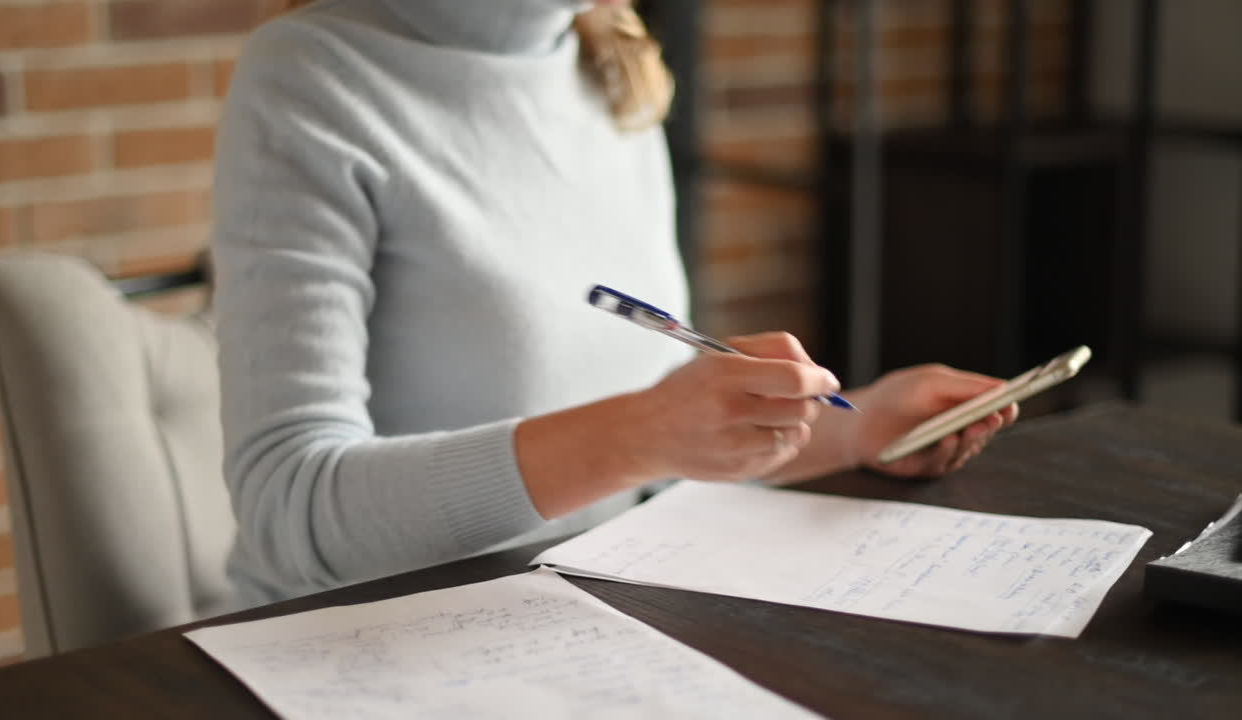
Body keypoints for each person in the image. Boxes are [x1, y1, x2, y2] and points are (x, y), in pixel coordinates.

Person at [211, 0, 1017, 608]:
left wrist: (861, 423)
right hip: (359, 641)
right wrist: (642, 431)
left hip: (574, 613)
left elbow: (660, 449)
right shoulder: (307, 76)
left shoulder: (606, 67)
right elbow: (293, 511)